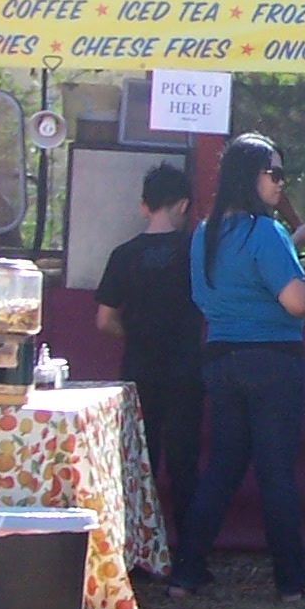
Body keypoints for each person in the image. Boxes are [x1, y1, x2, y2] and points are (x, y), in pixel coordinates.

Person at [168, 134, 305, 602]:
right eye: (274, 173)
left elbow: (204, 294)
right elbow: (297, 302)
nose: (280, 182)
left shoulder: (204, 234)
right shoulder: (265, 232)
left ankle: (185, 574)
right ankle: (290, 583)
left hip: (219, 358)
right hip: (273, 359)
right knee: (275, 472)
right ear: (249, 177)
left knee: (222, 468)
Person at [94, 162, 205, 528]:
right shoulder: (194, 253)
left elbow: (105, 320)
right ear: (184, 204)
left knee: (140, 463)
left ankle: (139, 545)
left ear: (145, 207)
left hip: (138, 370)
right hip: (185, 370)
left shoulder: (123, 255)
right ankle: (189, 550)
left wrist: (136, 335)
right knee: (184, 464)